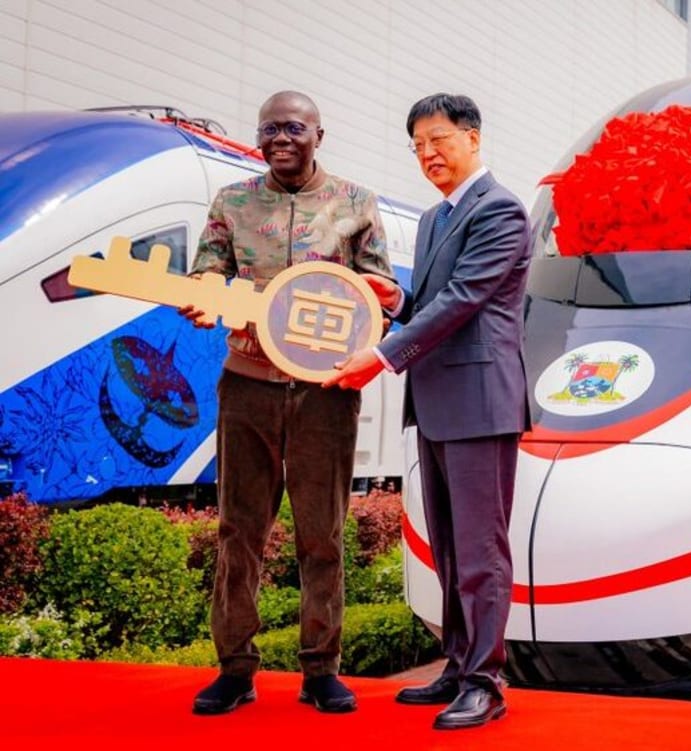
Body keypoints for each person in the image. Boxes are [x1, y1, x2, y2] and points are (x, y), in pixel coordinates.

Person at [183, 90, 399, 716]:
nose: (281, 137)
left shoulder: (357, 203)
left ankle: (321, 670)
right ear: (259, 136)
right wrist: (201, 295)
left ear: (318, 136)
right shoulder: (233, 202)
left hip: (323, 391)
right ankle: (234, 669)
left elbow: (382, 290)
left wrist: (372, 299)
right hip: (246, 382)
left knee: (321, 535)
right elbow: (208, 269)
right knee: (238, 532)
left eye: (294, 128)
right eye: (271, 128)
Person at [323, 93, 531, 730]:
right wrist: (398, 298)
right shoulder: (437, 219)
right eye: (417, 146)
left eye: (438, 139)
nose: (428, 154)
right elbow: (435, 304)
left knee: (481, 550)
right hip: (440, 402)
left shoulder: (500, 210)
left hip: (481, 401)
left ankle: (486, 682)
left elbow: (468, 299)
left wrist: (382, 356)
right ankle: (458, 662)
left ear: (472, 138)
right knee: (448, 545)